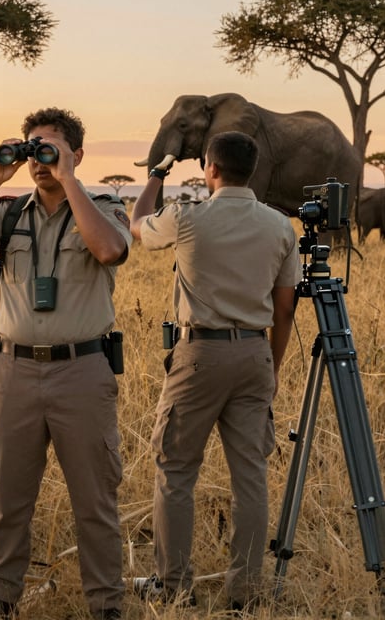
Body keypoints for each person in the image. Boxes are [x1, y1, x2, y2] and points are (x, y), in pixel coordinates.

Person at [0, 107, 132, 620]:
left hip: (82, 369)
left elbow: (111, 250)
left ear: (76, 154)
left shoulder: (105, 205)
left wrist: (71, 183)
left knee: (94, 499)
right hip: (15, 370)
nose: (39, 161)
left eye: (50, 149)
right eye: (32, 149)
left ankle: (105, 604)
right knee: (9, 495)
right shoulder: (8, 213)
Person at [129, 131, 300, 612]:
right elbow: (284, 310)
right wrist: (272, 363)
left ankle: (174, 585)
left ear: (210, 169)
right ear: (253, 169)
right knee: (251, 476)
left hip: (199, 355)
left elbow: (137, 224)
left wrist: (156, 177)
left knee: (176, 470)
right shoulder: (280, 227)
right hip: (254, 355)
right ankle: (245, 590)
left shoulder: (186, 218)